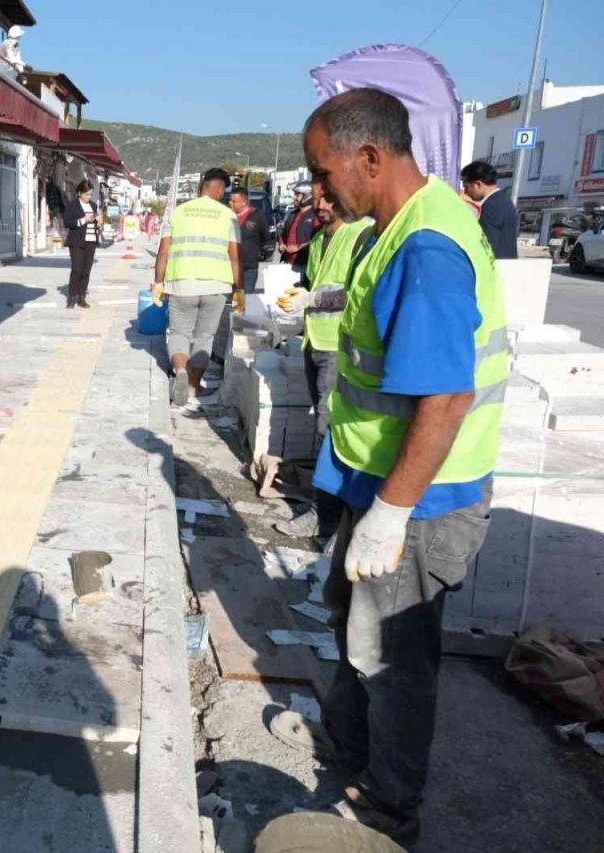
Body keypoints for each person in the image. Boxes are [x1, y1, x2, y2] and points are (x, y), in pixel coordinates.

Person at [267, 88, 506, 846]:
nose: (316, 189)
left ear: (369, 158)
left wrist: (392, 513)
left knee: (392, 659)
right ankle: (345, 745)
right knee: (354, 633)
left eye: (320, 170)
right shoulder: (390, 225)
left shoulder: (427, 246)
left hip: (421, 502)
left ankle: (386, 803)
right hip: (375, 481)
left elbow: (444, 399)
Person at [274, 178, 372, 539]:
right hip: (314, 341)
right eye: (316, 198)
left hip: (340, 346)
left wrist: (313, 300)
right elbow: (316, 285)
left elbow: (359, 292)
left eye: (328, 198)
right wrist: (298, 294)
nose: (320, 204)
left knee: (328, 430)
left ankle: (324, 514)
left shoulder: (360, 235)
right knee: (323, 424)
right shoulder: (317, 241)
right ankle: (327, 509)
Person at [152, 167, 244, 407]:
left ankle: (180, 370)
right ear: (218, 189)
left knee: (180, 333)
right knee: (204, 337)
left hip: (182, 283)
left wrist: (158, 283)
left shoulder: (179, 212)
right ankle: (193, 386)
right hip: (215, 286)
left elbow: (163, 251)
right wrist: (239, 289)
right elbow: (234, 256)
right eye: (223, 190)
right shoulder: (228, 216)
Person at [461, 159, 519, 259]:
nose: (465, 192)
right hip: (508, 264)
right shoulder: (505, 202)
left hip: (495, 268)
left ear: (478, 184)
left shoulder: (489, 208)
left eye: (466, 187)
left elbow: (485, 247)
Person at [63, 180, 102, 309]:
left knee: (86, 271)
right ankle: (72, 297)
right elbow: (67, 222)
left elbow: (97, 224)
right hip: (76, 241)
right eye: (86, 194)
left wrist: (99, 222)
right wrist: (84, 220)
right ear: (80, 193)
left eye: (90, 194)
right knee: (77, 269)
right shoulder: (72, 205)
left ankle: (81, 297)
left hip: (91, 241)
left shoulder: (94, 206)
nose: (89, 197)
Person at [228, 187, 270, 292]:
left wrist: (255, 253)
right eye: (230, 200)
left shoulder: (257, 216)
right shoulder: (227, 216)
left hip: (249, 267)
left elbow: (265, 237)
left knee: (246, 299)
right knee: (229, 302)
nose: (230, 203)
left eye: (234, 201)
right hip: (229, 267)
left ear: (244, 202)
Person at [279, 181, 317, 277]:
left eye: (297, 195)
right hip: (287, 264)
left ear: (308, 195)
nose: (294, 198)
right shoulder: (290, 214)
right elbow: (281, 234)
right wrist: (281, 244)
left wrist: (298, 247)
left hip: (305, 265)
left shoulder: (316, 215)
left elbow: (319, 240)